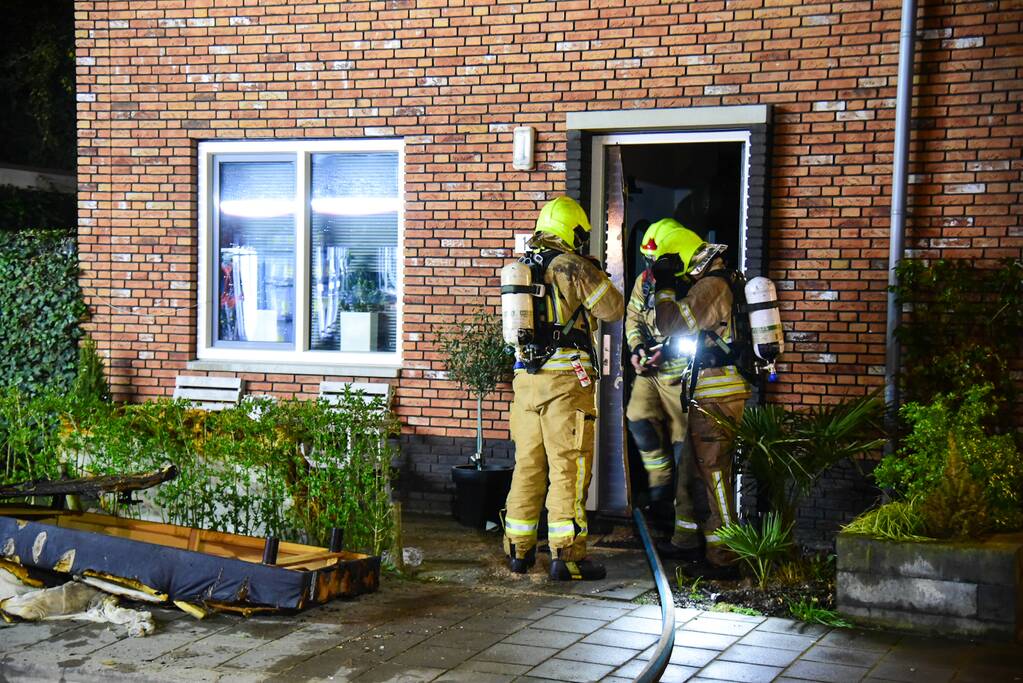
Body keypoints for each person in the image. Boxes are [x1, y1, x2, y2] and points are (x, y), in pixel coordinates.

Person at [502, 195, 625, 581]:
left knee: (527, 466)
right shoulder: (572, 265)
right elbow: (613, 309)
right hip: (565, 385)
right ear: (573, 231)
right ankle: (567, 556)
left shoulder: (521, 268)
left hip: (525, 382)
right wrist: (595, 273)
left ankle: (518, 551)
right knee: (568, 468)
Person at [649, 225, 751, 578]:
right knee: (692, 469)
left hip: (717, 396)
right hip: (709, 393)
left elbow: (671, 323)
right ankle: (686, 540)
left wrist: (663, 289)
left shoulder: (711, 286)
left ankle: (725, 555)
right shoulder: (721, 281)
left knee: (715, 476)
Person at [625, 219, 702, 560]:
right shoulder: (646, 282)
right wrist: (637, 349)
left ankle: (684, 526)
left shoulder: (700, 285)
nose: (651, 267)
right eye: (648, 260)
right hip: (650, 373)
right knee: (638, 418)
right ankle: (659, 496)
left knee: (685, 446)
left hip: (682, 374)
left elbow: (700, 330)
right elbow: (633, 318)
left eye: (658, 261)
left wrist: (669, 350)